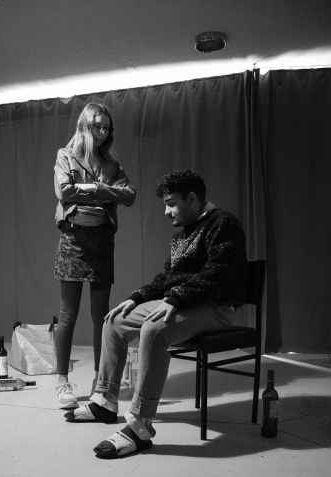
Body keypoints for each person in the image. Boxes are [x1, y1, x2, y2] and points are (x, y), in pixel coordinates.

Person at [65, 169, 248, 459]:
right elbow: (167, 278)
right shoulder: (182, 234)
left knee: (155, 329)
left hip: (218, 308)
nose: (166, 211)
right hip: (184, 303)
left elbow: (219, 274)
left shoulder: (223, 224)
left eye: (172, 204)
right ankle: (104, 401)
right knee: (114, 321)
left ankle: (140, 425)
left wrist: (175, 298)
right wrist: (136, 297)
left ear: (192, 199)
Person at [53, 102, 136, 408]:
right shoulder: (66, 156)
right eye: (98, 126)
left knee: (101, 317)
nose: (103, 132)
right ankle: (62, 381)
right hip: (73, 240)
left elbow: (129, 195)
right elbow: (64, 191)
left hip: (102, 242)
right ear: (85, 125)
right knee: (68, 315)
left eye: (107, 128)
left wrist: (94, 188)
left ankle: (100, 383)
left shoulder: (112, 163)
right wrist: (103, 190)